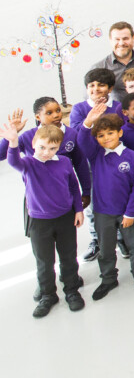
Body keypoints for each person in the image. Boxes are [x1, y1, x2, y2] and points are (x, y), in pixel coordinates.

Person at [1, 121, 85, 318]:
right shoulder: (28, 163)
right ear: (33, 144)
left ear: (59, 147)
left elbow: (73, 186)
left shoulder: (64, 162)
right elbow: (13, 162)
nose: (46, 152)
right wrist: (13, 141)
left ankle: (71, 290)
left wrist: (78, 210)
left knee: (68, 257)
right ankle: (48, 294)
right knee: (44, 262)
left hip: (65, 218)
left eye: (52, 148)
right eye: (42, 147)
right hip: (39, 222)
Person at [76, 108, 134, 298]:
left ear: (120, 132)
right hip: (103, 212)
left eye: (110, 133)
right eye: (101, 135)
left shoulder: (131, 156)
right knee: (106, 249)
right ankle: (108, 279)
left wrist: (130, 213)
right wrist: (87, 123)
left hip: (127, 212)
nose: (106, 138)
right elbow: (82, 142)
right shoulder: (96, 155)